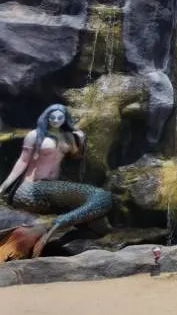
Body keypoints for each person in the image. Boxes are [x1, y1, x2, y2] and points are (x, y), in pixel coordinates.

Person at [0, 104, 113, 260]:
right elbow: (22, 161)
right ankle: (58, 223)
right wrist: (4, 186)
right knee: (101, 196)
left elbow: (77, 157)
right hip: (31, 189)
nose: (55, 120)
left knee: (101, 225)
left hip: (51, 189)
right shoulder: (35, 135)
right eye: (52, 117)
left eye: (60, 118)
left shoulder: (66, 136)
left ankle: (57, 230)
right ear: (46, 117)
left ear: (65, 118)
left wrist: (79, 139)